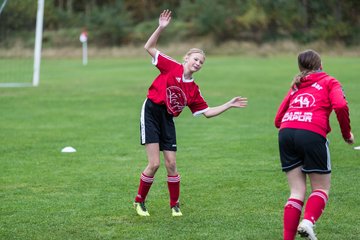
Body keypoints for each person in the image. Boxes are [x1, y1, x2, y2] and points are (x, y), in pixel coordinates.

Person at [133, 9, 248, 217]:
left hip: (167, 118)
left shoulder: (194, 90)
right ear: (186, 58)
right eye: (195, 59)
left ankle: (175, 205)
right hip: (151, 111)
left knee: (172, 163)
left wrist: (228, 104)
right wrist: (161, 27)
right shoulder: (171, 67)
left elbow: (208, 112)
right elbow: (148, 47)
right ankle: (139, 201)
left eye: (201, 62)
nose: (198, 63)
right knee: (155, 163)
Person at [274, 49, 354, 239]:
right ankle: (308, 222)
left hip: (286, 133)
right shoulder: (329, 81)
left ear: (300, 67)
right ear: (321, 64)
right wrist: (346, 133)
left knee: (296, 191)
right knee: (321, 188)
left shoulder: (296, 85)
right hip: (311, 133)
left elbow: (278, 119)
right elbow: (341, 105)